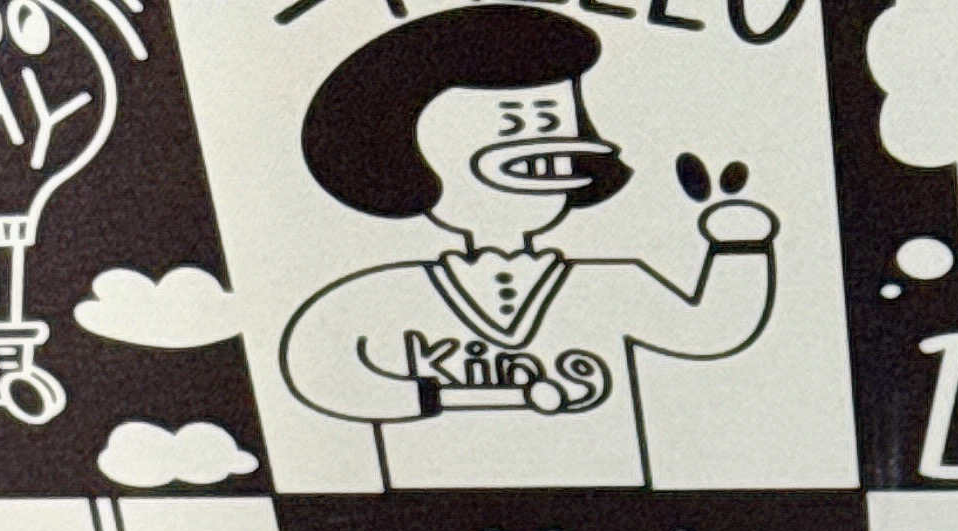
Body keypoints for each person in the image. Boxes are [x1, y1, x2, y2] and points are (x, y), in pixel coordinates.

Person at [279, 2, 778, 490]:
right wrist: (427, 399)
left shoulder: (607, 284)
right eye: (515, 125)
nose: (548, 152)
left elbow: (710, 328)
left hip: (609, 501)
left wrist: (739, 247)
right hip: (426, 507)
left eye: (554, 125)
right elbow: (318, 364)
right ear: (404, 159)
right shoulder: (385, 296)